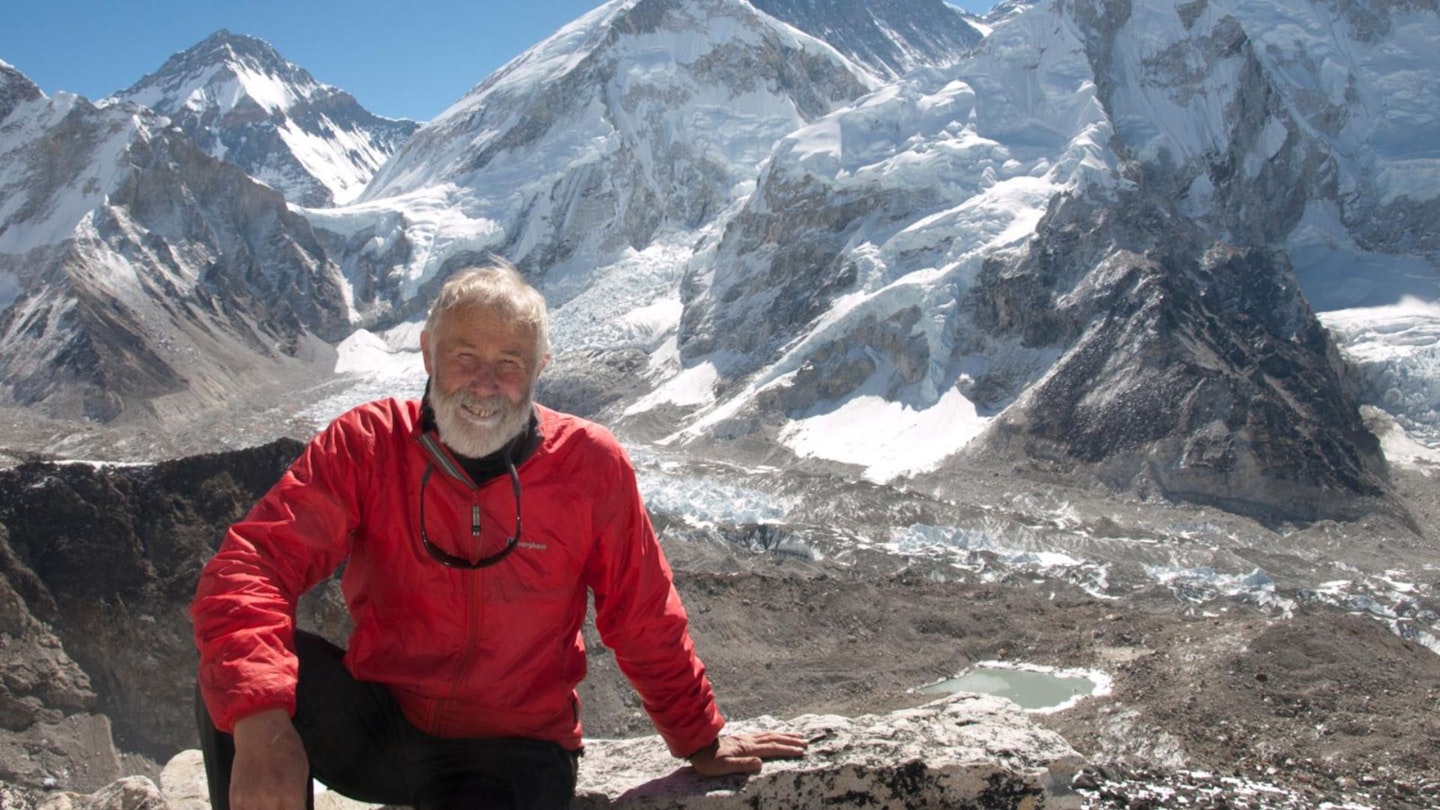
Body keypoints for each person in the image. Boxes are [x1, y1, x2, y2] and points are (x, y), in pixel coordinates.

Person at [191, 258, 808, 810]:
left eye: (509, 362)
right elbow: (254, 566)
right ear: (428, 352)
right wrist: (264, 726)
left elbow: (642, 614)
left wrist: (698, 736)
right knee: (246, 678)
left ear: (541, 367)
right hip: (380, 727)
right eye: (463, 356)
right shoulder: (368, 444)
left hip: (513, 751)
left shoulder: (589, 464)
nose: (484, 384)